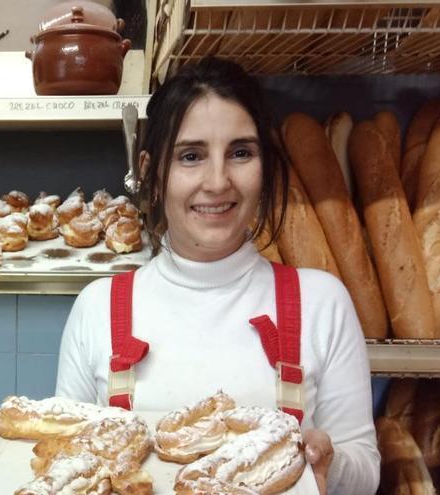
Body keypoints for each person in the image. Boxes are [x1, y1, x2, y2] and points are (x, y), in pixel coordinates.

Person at [53, 58, 379, 495]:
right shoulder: (98, 307)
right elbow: (65, 459)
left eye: (241, 153)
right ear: (150, 171)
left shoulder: (321, 302)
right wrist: (2, 457)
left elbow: (365, 473)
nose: (218, 181)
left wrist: (330, 462)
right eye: (192, 156)